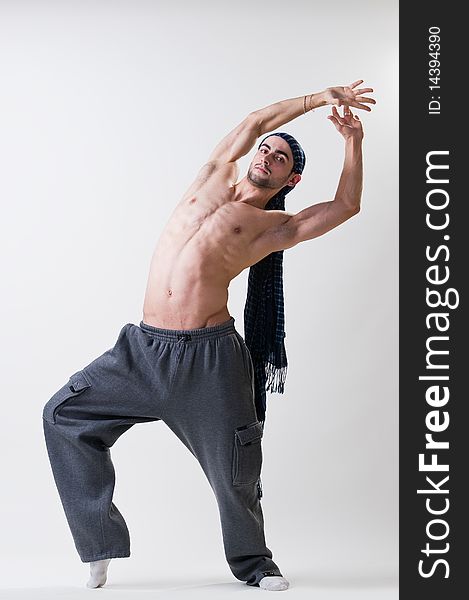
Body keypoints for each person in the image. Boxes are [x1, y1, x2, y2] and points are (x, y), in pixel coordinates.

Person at [42, 80, 375, 592]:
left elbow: (345, 205)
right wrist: (316, 99)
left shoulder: (272, 226)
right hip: (141, 351)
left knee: (237, 470)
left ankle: (255, 564)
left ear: (293, 177)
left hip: (208, 361)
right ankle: (100, 545)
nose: (267, 155)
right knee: (63, 415)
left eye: (281, 157)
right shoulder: (211, 177)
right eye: (267, 150)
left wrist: (352, 140)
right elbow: (254, 123)